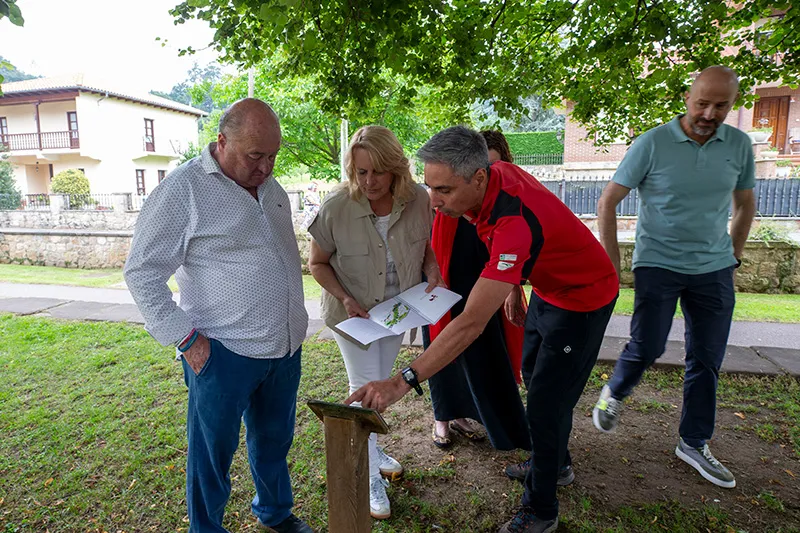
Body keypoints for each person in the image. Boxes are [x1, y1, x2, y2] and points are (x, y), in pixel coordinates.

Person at [347, 126, 619, 533]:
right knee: (533, 373)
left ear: (478, 177)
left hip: (584, 298)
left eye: (444, 190)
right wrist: (514, 286)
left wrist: (403, 380)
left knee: (546, 405)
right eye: (430, 187)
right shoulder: (495, 175)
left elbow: (470, 323)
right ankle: (553, 461)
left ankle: (542, 508)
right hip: (550, 289)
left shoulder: (513, 224)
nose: (434, 202)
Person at [124, 98, 312, 533]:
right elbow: (142, 272)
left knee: (273, 442)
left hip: (284, 348)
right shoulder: (183, 189)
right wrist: (186, 339)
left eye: (273, 156)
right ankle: (206, 528)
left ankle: (275, 513)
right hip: (222, 353)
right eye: (255, 156)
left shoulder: (273, 188)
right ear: (221, 142)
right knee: (212, 454)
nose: (265, 167)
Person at [592, 66, 756, 489]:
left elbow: (745, 205)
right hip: (658, 264)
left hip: (714, 269)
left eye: (721, 105)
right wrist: (612, 262)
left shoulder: (738, 145)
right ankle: (615, 391)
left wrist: (732, 256)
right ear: (688, 98)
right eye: (702, 102)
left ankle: (693, 441)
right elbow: (608, 202)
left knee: (707, 359)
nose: (709, 113)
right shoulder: (652, 143)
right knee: (648, 345)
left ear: (731, 105)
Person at [307, 125, 442, 520]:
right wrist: (346, 298)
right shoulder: (335, 207)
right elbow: (316, 263)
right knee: (364, 389)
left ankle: (372, 449)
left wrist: (431, 268)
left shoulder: (419, 199)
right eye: (361, 172)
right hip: (355, 318)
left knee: (382, 382)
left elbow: (426, 246)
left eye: (377, 172)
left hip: (399, 312)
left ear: (396, 168)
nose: (369, 181)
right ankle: (367, 478)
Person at [424, 129, 530, 454]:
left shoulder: (510, 202)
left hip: (486, 284)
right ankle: (442, 416)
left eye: (495, 168)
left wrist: (513, 291)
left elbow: (514, 254)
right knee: (443, 343)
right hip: (448, 279)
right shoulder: (448, 203)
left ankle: (465, 415)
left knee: (480, 351)